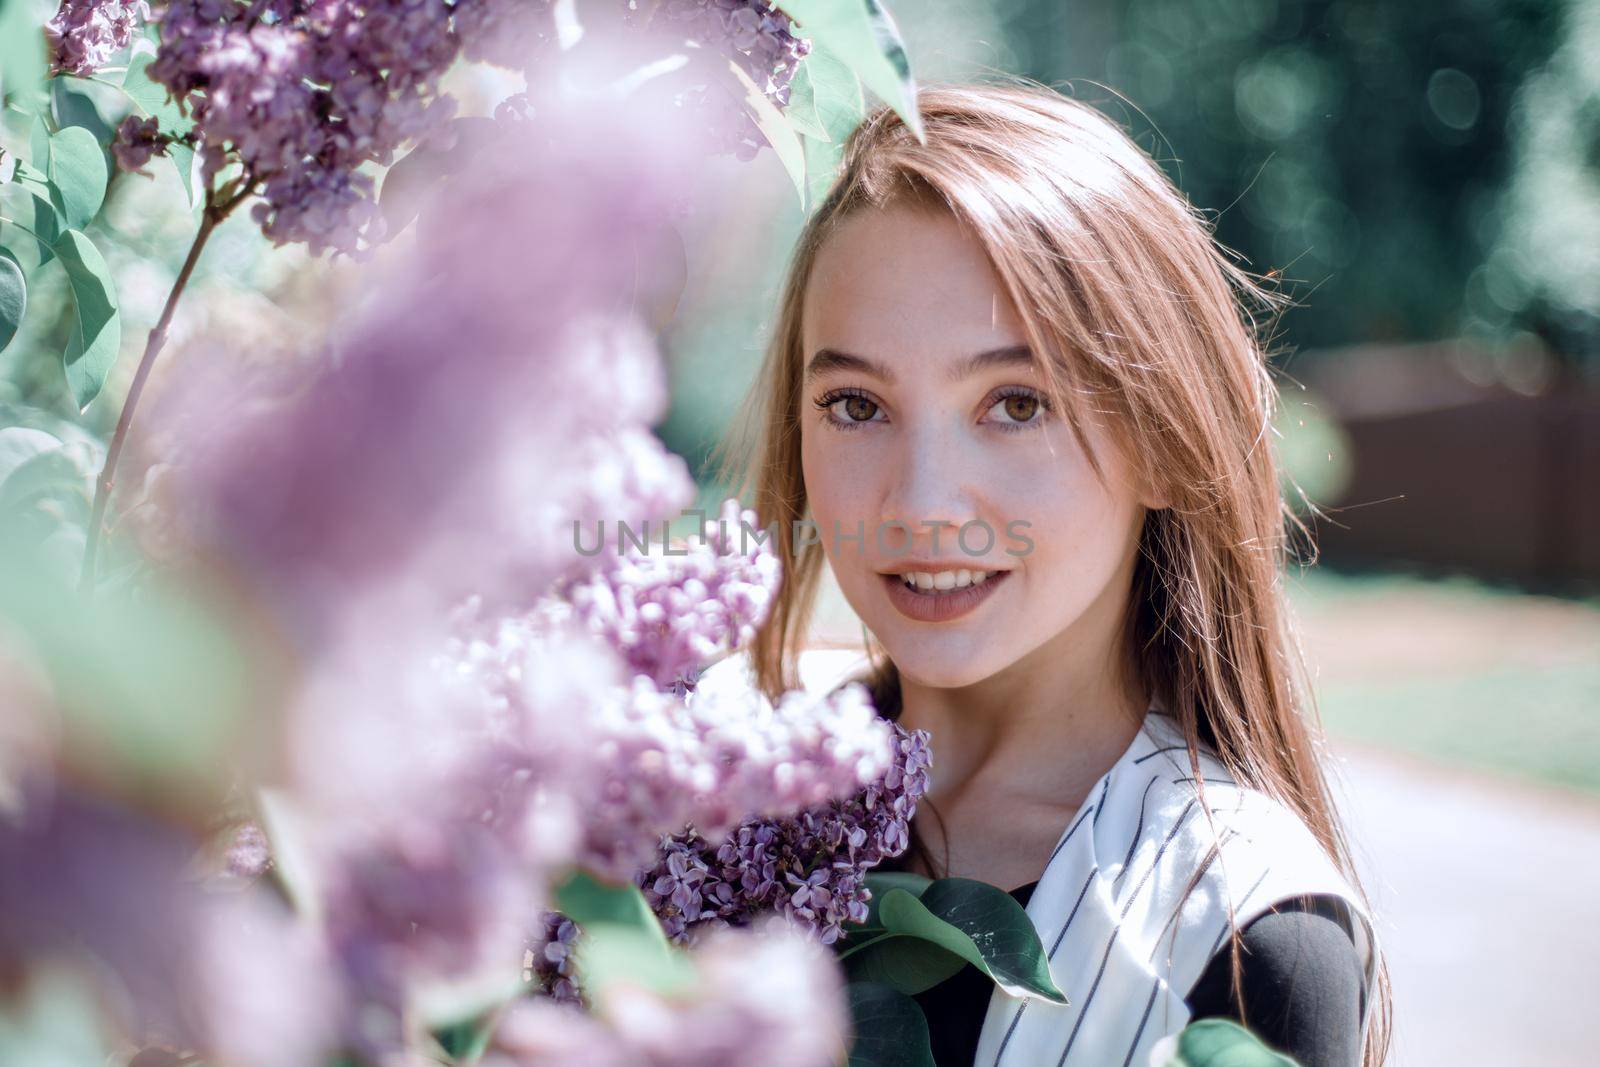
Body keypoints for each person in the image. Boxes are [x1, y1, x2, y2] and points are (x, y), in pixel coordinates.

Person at [703, 80, 1393, 1067]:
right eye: (856, 405)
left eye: (1015, 403)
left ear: (1164, 445)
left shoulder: (1245, 937)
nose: (922, 503)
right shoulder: (707, 821)